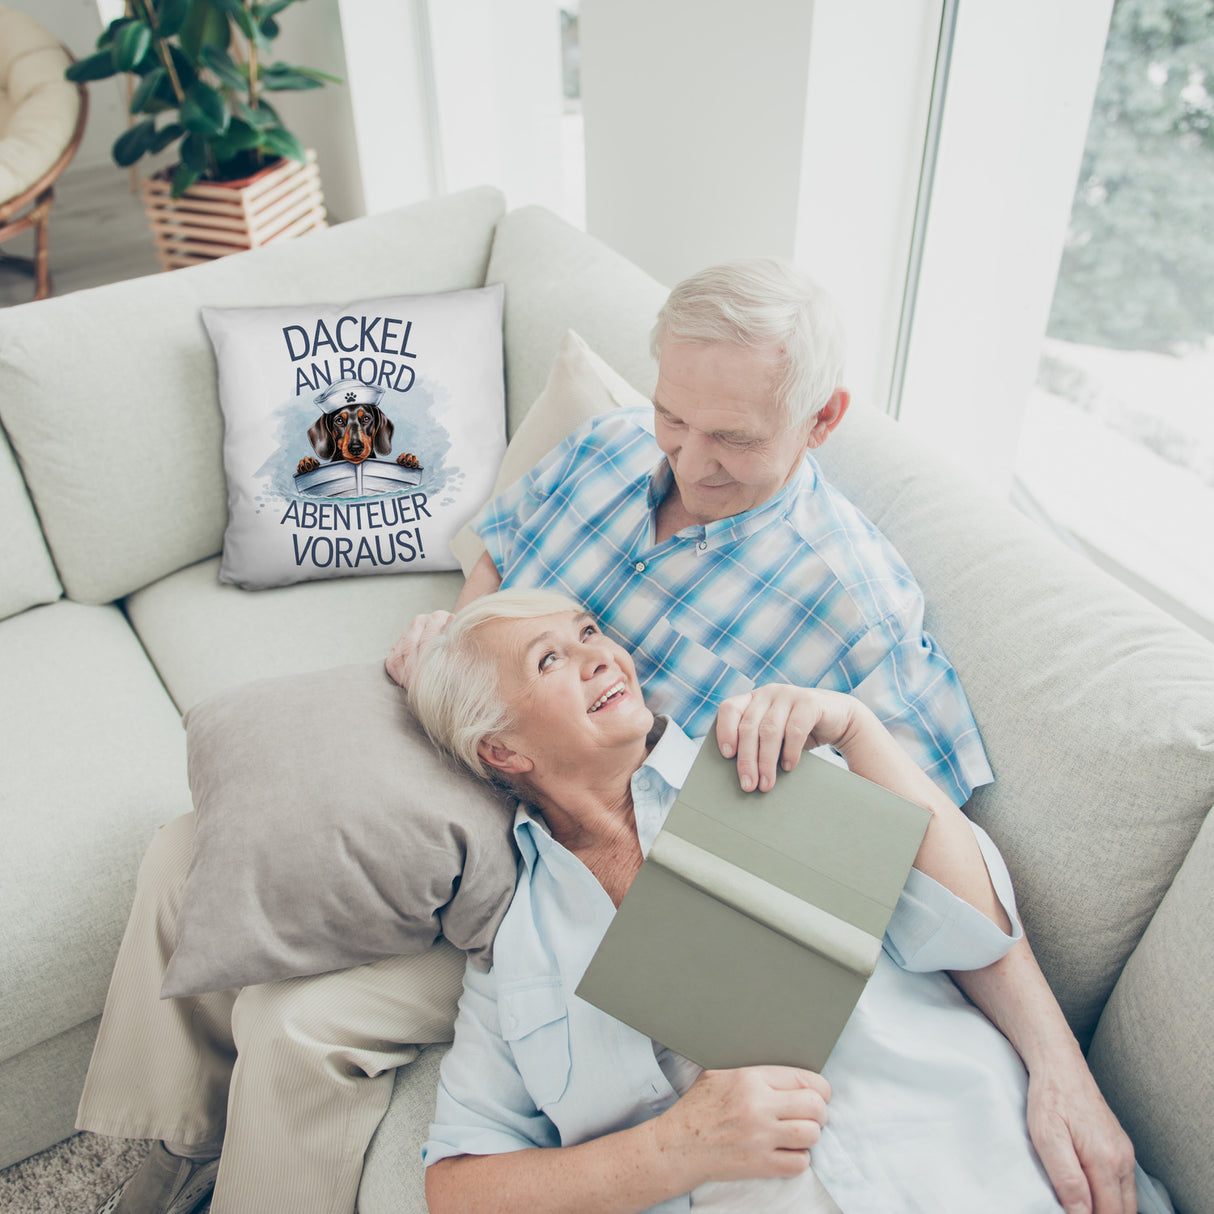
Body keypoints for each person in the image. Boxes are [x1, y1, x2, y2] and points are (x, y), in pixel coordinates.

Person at [389, 259, 1136, 1213]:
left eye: (732, 438)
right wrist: (461, 658)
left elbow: (945, 886)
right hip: (491, 835)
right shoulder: (608, 450)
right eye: (674, 418)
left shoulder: (829, 663)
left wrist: (1058, 1069)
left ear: (822, 420)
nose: (689, 463)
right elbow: (500, 552)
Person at [407, 589, 1161, 1214]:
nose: (601, 655)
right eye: (550, 659)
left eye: (589, 632)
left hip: (986, 1167)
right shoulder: (516, 951)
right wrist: (673, 1150)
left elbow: (973, 929)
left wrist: (859, 731)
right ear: (502, 750)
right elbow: (458, 1187)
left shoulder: (762, 762)